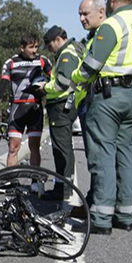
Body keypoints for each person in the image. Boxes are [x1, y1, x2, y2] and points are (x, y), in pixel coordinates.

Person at [72, 0, 132, 234]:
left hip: (109, 96)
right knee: (126, 154)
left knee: (104, 155)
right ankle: (125, 216)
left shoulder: (113, 25)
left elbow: (91, 67)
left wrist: (75, 79)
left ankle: (102, 218)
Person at [0, 34, 53, 167]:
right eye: (31, 47)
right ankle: (11, 181)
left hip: (35, 109)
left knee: (34, 146)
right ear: (22, 48)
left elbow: (55, 79)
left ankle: (35, 182)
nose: (34, 51)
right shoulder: (11, 62)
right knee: (13, 147)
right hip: (17, 110)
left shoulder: (43, 60)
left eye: (36, 47)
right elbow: (3, 84)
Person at [71, 0, 108, 219]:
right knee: (93, 155)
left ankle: (98, 205)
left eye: (86, 14)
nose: (82, 19)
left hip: (100, 100)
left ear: (101, 12)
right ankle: (94, 201)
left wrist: (75, 78)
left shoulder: (105, 34)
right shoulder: (92, 37)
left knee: (98, 156)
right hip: (89, 101)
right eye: (80, 15)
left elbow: (87, 71)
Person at [40, 26, 85, 198]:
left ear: (58, 40)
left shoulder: (67, 55)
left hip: (62, 105)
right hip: (66, 103)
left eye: (50, 45)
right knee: (62, 147)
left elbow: (62, 83)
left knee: (61, 149)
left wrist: (44, 87)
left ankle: (63, 189)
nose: (49, 50)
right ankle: (64, 186)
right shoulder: (71, 52)